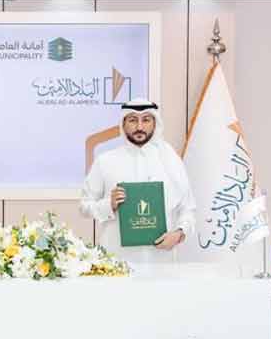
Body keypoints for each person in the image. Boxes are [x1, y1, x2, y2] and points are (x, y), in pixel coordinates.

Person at [80, 98, 196, 263]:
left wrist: (179, 234)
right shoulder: (105, 161)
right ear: (123, 123)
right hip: (116, 262)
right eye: (133, 120)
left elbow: (188, 209)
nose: (139, 127)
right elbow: (84, 206)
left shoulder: (170, 160)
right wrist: (108, 205)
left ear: (155, 124)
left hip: (160, 262)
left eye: (146, 120)